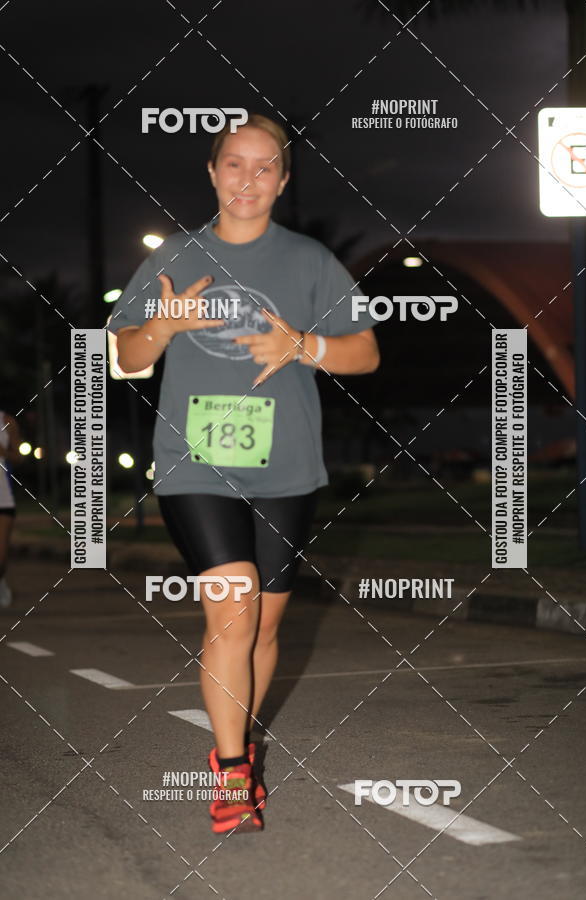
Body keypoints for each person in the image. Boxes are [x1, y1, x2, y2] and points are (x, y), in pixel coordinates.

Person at [108, 113, 380, 833]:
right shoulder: (175, 256)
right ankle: (232, 772)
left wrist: (305, 345)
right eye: (235, 163)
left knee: (263, 628)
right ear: (212, 171)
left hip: (286, 468)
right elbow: (126, 357)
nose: (248, 179)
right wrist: (163, 326)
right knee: (233, 611)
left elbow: (365, 353)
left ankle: (241, 744)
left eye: (265, 166)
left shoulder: (310, 260)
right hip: (194, 465)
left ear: (283, 181)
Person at [0, 410, 21, 608]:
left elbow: (18, 457)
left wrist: (3, 453)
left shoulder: (7, 422)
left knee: (1, 556)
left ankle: (1, 582)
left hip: (3, 499)